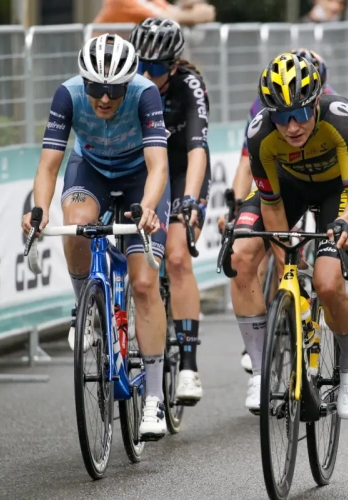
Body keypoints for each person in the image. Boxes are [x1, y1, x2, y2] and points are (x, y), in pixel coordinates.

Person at [21, 33, 171, 441]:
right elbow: (49, 165)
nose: (104, 99)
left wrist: (149, 206)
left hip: (141, 175)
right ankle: (84, 308)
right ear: (83, 82)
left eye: (114, 90)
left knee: (143, 284)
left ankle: (155, 397)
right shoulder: (67, 96)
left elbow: (158, 165)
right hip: (91, 170)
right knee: (75, 225)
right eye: (96, 89)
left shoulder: (144, 96)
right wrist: (38, 211)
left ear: (129, 83)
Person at [230, 53, 348, 419]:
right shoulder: (260, 135)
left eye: (300, 114)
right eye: (281, 117)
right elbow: (272, 206)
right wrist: (286, 257)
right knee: (240, 256)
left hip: (334, 194)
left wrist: (344, 223)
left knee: (327, 282)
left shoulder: (339, 117)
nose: (291, 127)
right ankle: (261, 372)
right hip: (287, 191)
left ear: (316, 102)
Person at [224, 47, 336, 374]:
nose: (291, 122)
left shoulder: (328, 105)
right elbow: (248, 161)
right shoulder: (262, 110)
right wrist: (236, 206)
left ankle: (314, 299)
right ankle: (269, 326)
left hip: (322, 179)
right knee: (254, 247)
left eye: (300, 111)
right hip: (281, 180)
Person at [129, 17, 210, 404]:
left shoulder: (189, 87)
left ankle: (189, 366)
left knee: (177, 257)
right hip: (141, 173)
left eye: (157, 68)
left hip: (179, 173)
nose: (146, 73)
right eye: (141, 64)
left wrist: (191, 199)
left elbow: (197, 151)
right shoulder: (127, 83)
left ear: (174, 67)